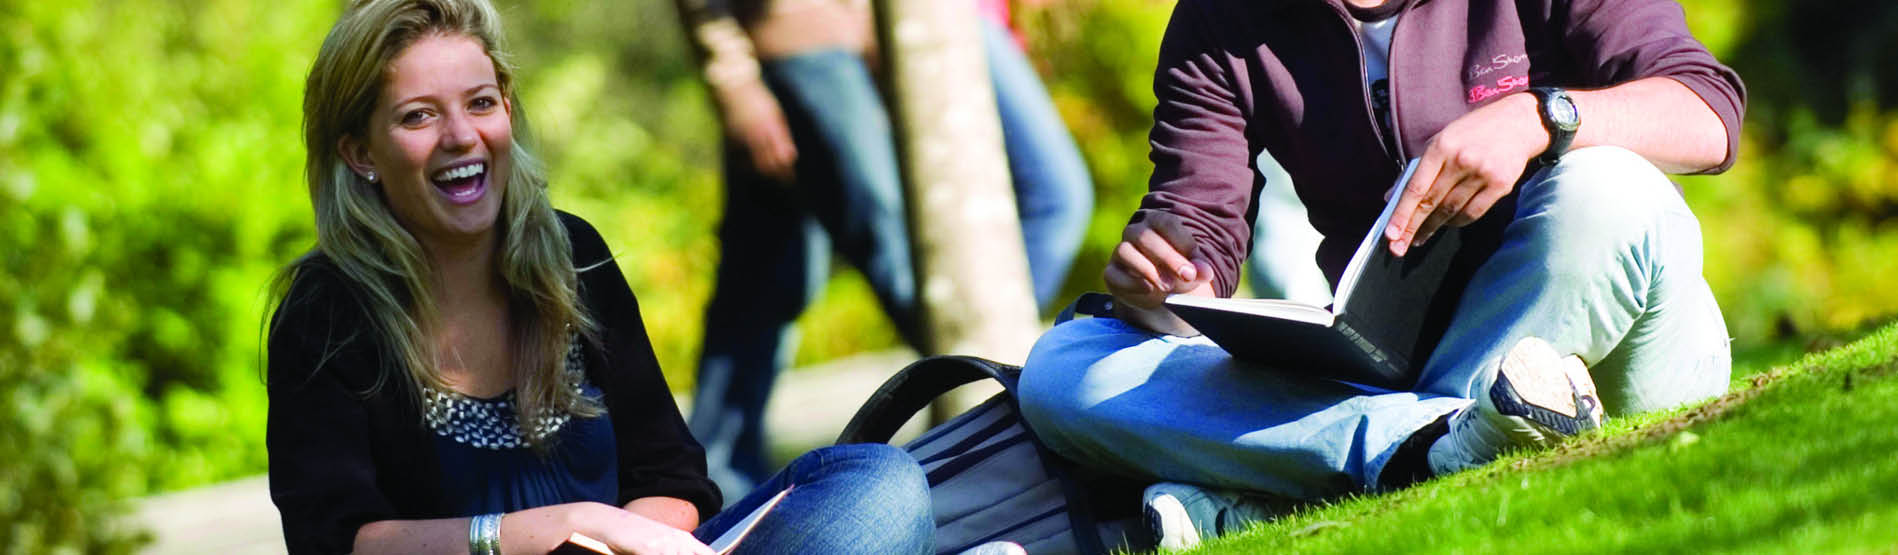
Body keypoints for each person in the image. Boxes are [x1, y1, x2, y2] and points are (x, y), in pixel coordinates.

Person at [1015, 0, 1745, 548]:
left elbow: (1709, 112)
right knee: (1062, 368)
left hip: (1608, 354)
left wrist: (1539, 119)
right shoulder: (1220, 18)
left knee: (1612, 189)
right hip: (1388, 367)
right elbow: (1197, 238)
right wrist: (1164, 278)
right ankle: (1442, 444)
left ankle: (1300, 486)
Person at [265, 1, 933, 553]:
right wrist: (558, 526)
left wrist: (629, 535)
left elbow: (673, 474)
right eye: (419, 115)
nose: (462, 135)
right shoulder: (325, 313)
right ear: (359, 152)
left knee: (879, 482)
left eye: (480, 102)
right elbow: (335, 539)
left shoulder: (571, 252)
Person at [670, 0, 1094, 497]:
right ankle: (715, 486)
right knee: (815, 272)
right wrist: (736, 82)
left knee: (772, 269)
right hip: (802, 41)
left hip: (918, 29)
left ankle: (993, 415)